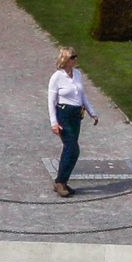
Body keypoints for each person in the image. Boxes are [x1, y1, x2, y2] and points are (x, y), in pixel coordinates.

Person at [48, 47, 99, 197]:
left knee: (69, 148)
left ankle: (62, 181)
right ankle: (60, 182)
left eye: (76, 57)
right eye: (73, 57)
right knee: (73, 148)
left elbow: (82, 95)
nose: (76, 59)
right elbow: (51, 101)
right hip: (64, 114)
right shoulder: (57, 77)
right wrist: (54, 122)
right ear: (65, 59)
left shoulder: (77, 74)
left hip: (76, 114)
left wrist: (92, 112)